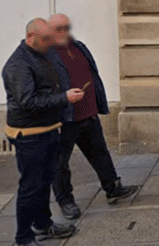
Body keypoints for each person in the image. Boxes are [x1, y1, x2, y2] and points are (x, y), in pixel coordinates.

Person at [1, 18, 84, 246]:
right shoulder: (18, 65)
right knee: (30, 187)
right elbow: (27, 102)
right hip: (29, 135)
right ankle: (23, 239)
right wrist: (64, 98)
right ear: (31, 38)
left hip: (47, 129)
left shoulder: (38, 54)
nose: (51, 44)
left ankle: (43, 223)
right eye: (46, 40)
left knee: (45, 179)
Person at [47, 13, 139, 220]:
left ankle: (113, 188)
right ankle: (66, 201)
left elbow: (92, 74)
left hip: (87, 113)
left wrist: (97, 101)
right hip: (64, 118)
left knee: (99, 153)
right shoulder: (46, 56)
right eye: (58, 28)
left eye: (66, 27)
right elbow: (44, 89)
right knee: (59, 163)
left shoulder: (78, 46)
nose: (64, 32)